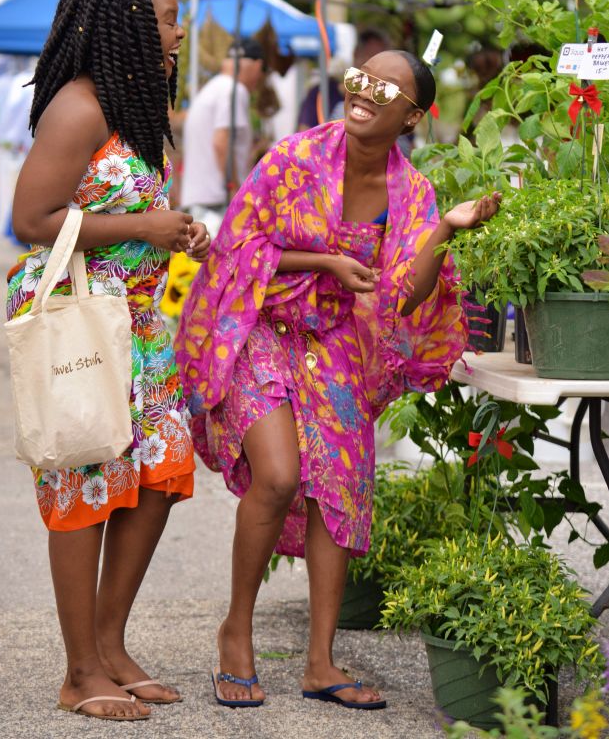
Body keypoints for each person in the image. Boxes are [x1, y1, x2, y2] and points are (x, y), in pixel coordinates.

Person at [175, 50, 500, 710]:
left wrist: (447, 227)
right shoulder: (294, 157)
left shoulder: (412, 193)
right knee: (277, 476)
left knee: (340, 487)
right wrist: (324, 262)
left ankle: (320, 662)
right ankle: (235, 631)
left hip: (334, 342)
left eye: (385, 88)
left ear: (412, 116)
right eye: (360, 77)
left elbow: (407, 295)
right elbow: (236, 249)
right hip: (261, 328)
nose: (364, 91)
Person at [7, 0, 211, 722]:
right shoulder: (79, 107)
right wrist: (143, 226)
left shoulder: (133, 107)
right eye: (166, 20)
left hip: (139, 321)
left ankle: (110, 644)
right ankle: (79, 671)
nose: (178, 32)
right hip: (79, 316)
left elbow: (125, 209)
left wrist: (173, 230)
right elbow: (31, 219)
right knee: (86, 479)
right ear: (125, 25)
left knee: (160, 471)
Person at [180, 37, 265, 235]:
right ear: (257, 66)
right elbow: (221, 143)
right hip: (217, 203)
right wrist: (235, 189)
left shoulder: (213, 88)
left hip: (200, 200)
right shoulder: (234, 90)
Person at [297, 26, 390, 130]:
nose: (376, 66)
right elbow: (303, 131)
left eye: (382, 61)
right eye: (370, 56)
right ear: (356, 53)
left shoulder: (382, 104)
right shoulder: (323, 92)